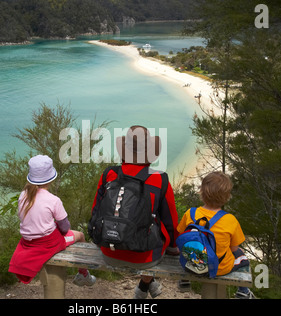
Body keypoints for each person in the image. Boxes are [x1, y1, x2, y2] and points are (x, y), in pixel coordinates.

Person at [90, 125, 179, 299]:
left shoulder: (109, 174)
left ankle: (145, 286)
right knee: (158, 230)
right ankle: (145, 284)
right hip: (145, 257)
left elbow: (95, 212)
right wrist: (173, 247)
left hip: (109, 251)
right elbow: (171, 223)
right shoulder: (160, 179)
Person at [8, 155, 96, 287]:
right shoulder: (53, 200)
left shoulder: (23, 195)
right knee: (80, 235)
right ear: (50, 179)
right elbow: (65, 227)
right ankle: (83, 274)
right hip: (47, 243)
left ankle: (82, 275)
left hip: (27, 242)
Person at [176, 171, 255, 299]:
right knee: (242, 255)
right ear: (227, 196)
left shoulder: (190, 213)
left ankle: (185, 280)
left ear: (201, 192)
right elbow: (234, 249)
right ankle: (243, 291)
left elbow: (180, 236)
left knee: (188, 246)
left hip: (191, 263)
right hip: (219, 268)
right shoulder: (230, 220)